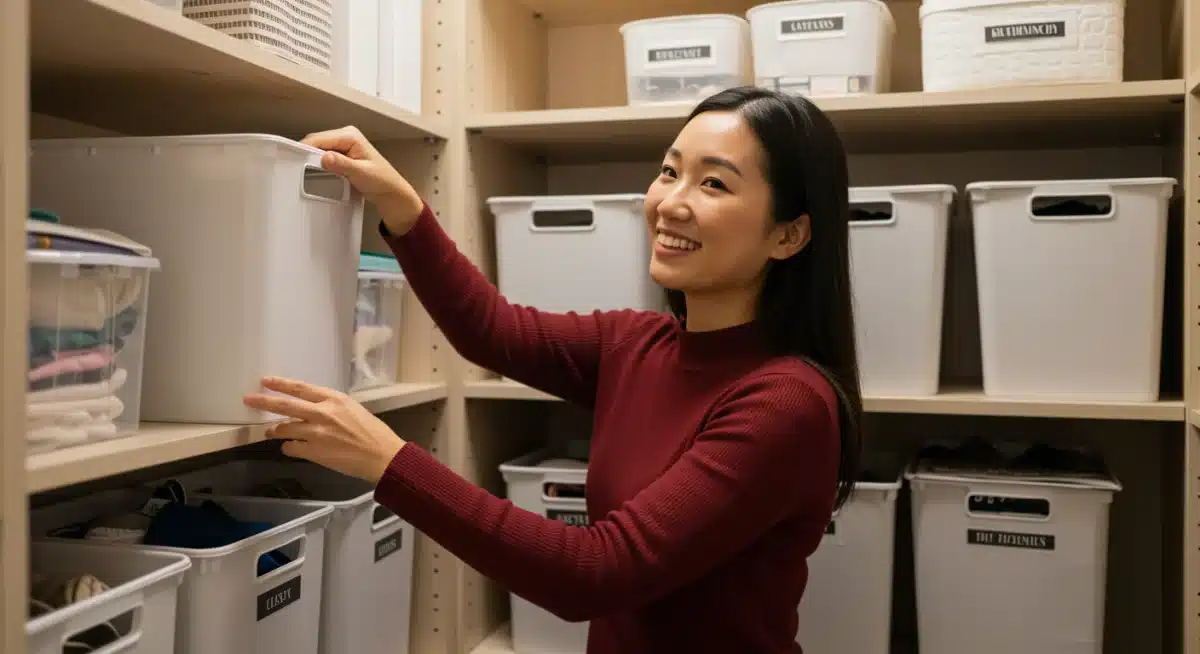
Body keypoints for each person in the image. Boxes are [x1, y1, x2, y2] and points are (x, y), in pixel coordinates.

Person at [243, 86, 864, 653]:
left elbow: (595, 572)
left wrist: (389, 462)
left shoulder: (786, 403)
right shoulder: (639, 344)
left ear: (789, 236)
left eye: (714, 184)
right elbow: (491, 330)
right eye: (669, 172)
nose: (671, 203)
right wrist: (401, 205)